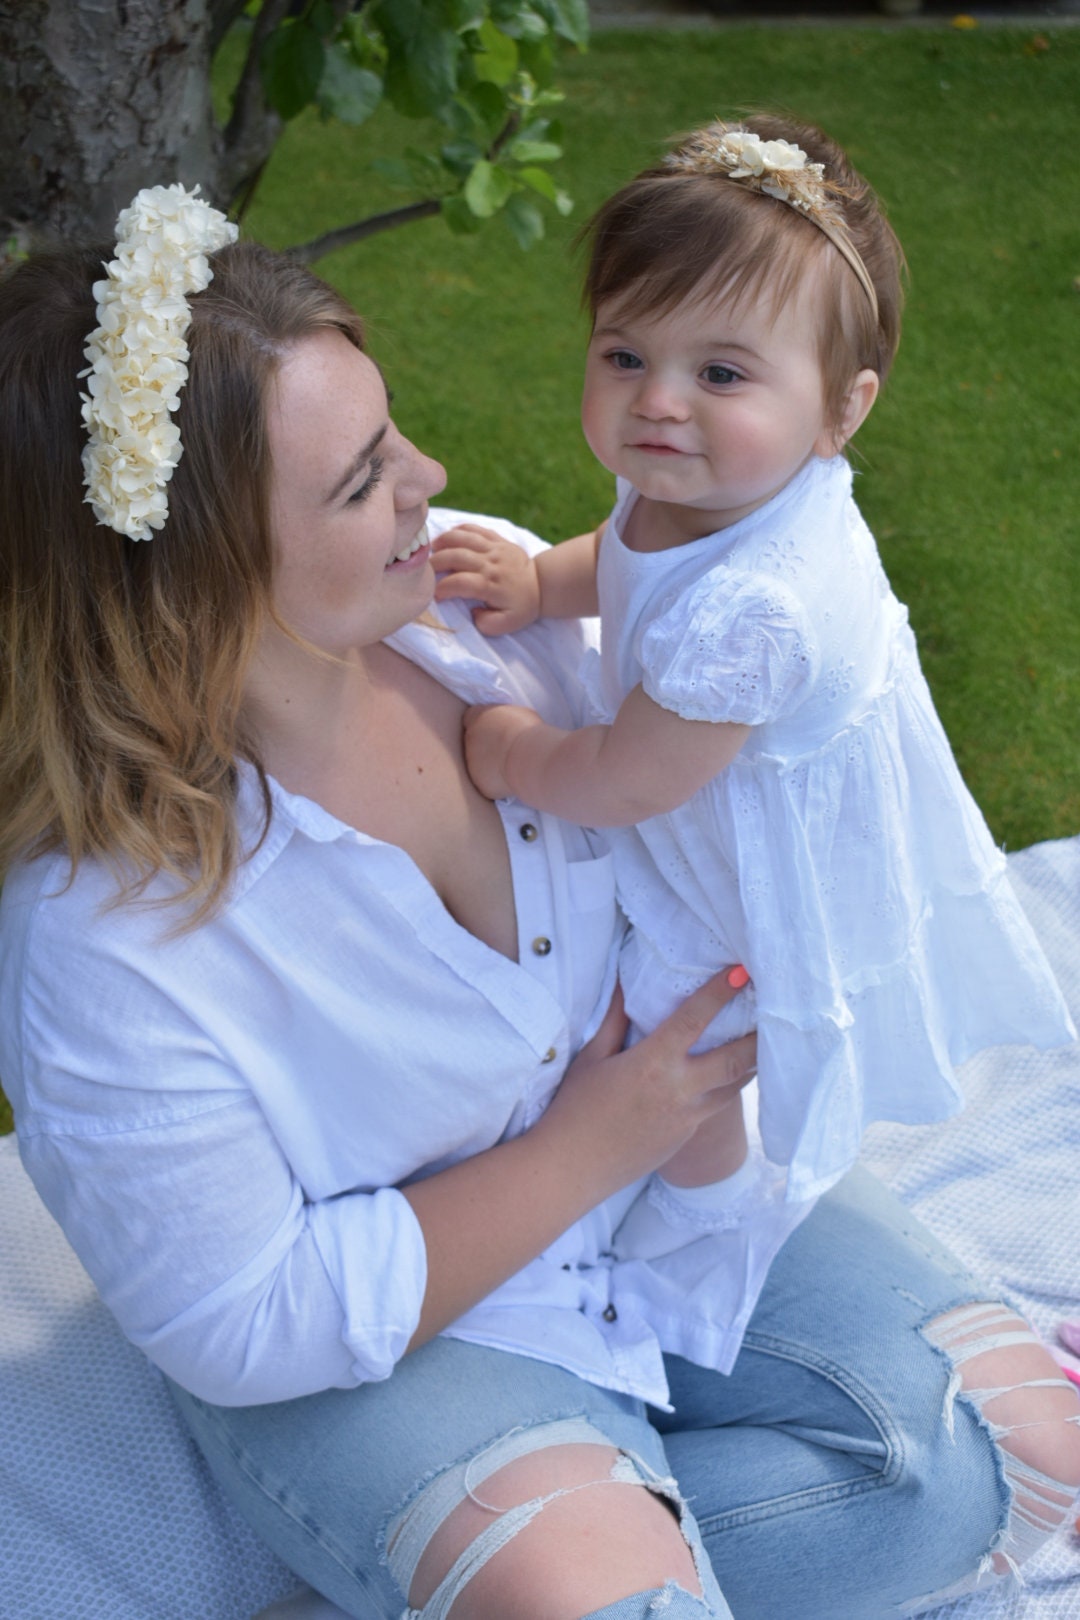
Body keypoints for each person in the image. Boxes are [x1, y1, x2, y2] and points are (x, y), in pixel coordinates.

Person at [0, 183, 1077, 1620]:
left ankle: (585, 1560)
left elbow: (752, 719)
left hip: (660, 1193)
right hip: (395, 1334)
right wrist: (595, 1139)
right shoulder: (99, 933)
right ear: (188, 583)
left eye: (393, 435)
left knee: (1012, 1464)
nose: (430, 477)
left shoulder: (476, 619)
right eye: (361, 478)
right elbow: (247, 1320)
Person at [430, 115, 1075, 1304]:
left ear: (843, 409)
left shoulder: (759, 611)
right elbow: (629, 555)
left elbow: (631, 778)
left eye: (721, 373)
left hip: (750, 837)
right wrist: (544, 582)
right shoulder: (700, 487)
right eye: (625, 355)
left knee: (692, 1009)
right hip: (707, 758)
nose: (658, 402)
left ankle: (709, 1197)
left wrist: (517, 751)